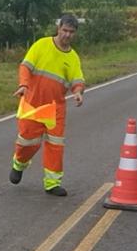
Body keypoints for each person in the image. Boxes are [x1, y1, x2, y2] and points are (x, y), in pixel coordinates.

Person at [9, 14, 85, 196]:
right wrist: (23, 85)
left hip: (55, 108)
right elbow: (25, 66)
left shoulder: (73, 57)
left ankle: (52, 183)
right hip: (33, 104)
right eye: (65, 30)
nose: (67, 35)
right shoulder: (42, 45)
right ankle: (19, 163)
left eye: (71, 32)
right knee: (28, 142)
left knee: (56, 145)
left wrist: (78, 92)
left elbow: (77, 79)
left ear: (75, 34)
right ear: (58, 28)